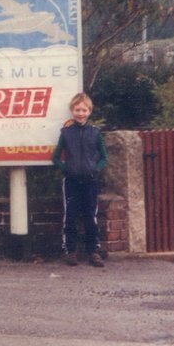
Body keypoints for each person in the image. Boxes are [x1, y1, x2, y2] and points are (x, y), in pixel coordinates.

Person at [52, 91, 108, 267]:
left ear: (89, 111)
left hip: (90, 181)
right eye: (77, 110)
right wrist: (66, 169)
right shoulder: (66, 133)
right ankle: (70, 251)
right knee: (70, 216)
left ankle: (93, 252)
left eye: (84, 110)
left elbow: (104, 157)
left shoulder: (95, 133)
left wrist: (95, 169)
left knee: (91, 216)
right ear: (72, 111)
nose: (80, 113)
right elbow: (55, 157)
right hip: (72, 181)